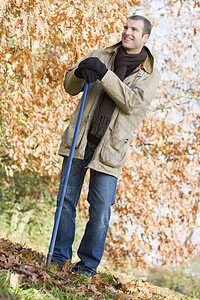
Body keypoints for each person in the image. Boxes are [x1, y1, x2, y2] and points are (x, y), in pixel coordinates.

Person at [52, 15, 160, 277]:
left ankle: (86, 267)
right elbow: (70, 86)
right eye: (126, 27)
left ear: (145, 38)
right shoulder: (100, 55)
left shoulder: (150, 74)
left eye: (134, 29)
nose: (127, 32)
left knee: (99, 212)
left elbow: (132, 102)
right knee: (66, 199)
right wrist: (78, 73)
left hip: (109, 151)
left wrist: (104, 75)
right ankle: (57, 257)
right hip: (80, 140)